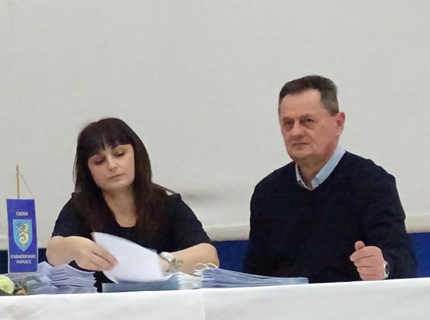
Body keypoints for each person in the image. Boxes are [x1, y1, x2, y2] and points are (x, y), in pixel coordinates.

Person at [243, 75, 416, 282]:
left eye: (307, 121)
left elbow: (403, 261)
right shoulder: (268, 193)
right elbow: (254, 276)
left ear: (339, 123)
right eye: (288, 123)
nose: (296, 132)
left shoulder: (372, 183)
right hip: (287, 302)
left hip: (350, 301)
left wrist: (383, 267)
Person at [46, 117, 217, 288]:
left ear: (136, 154)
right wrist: (71, 247)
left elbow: (209, 257)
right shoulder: (80, 206)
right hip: (101, 303)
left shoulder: (166, 203)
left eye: (119, 154)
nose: (112, 165)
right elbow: (53, 253)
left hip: (163, 301)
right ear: (88, 170)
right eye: (99, 161)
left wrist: (159, 263)